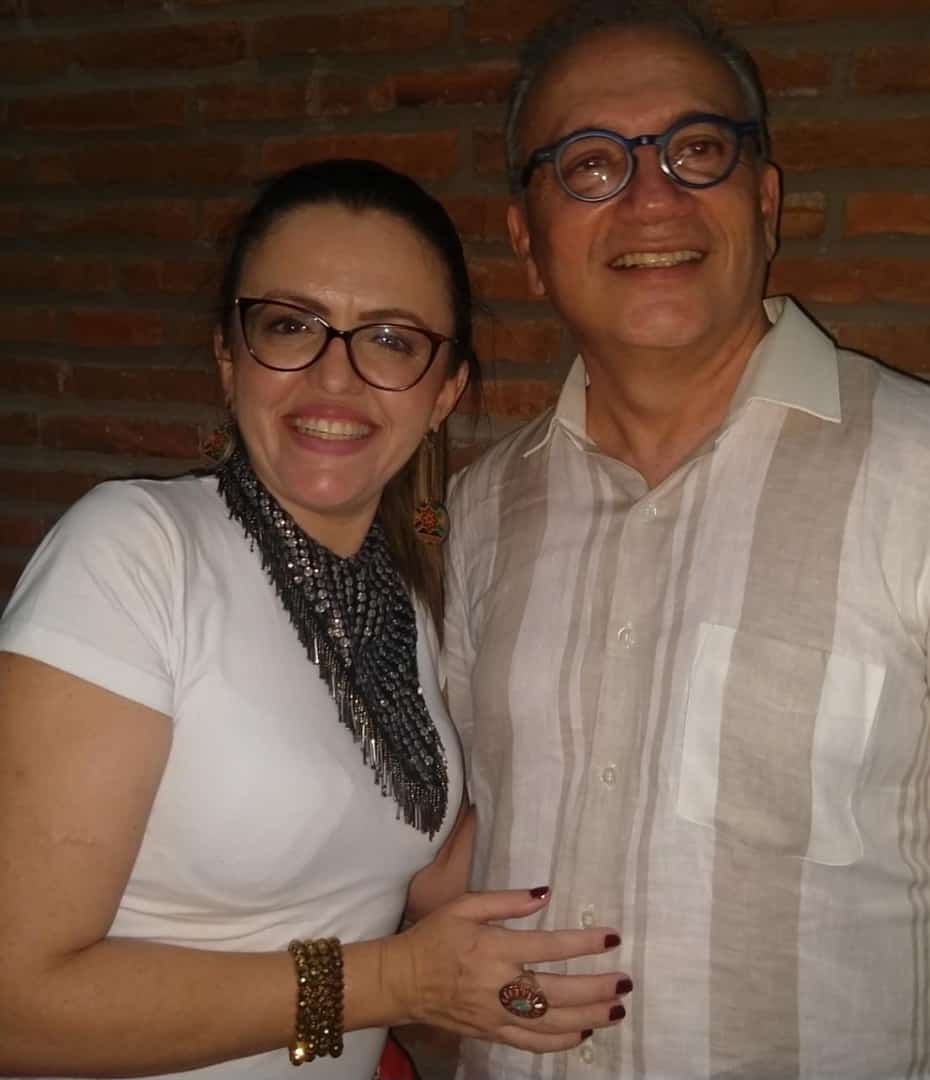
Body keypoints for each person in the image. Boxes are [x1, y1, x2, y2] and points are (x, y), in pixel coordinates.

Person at [0, 158, 631, 1080]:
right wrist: (395, 983)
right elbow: (16, 1005)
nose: (336, 377)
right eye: (290, 326)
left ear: (444, 391)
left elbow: (398, 868)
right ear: (230, 357)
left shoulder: (401, 601)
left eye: (392, 339)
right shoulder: (136, 550)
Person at [444, 2, 930, 1078]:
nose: (652, 195)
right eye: (589, 164)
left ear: (766, 201)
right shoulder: (482, 508)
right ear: (528, 243)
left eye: (697, 150)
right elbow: (478, 826)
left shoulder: (919, 478)